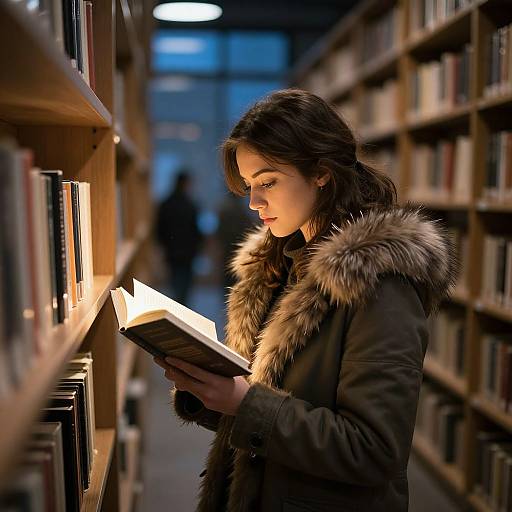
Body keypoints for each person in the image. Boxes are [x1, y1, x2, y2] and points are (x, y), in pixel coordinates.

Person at [154, 89, 458, 511]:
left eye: (268, 182)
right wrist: (211, 393)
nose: (255, 203)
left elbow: (374, 450)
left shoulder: (379, 283)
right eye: (248, 187)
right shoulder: (280, 265)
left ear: (321, 172)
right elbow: (272, 411)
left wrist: (245, 404)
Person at [156, 170, 203, 306]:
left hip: (171, 251)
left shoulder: (165, 204)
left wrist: (164, 246)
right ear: (185, 184)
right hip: (188, 252)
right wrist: (198, 247)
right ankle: (184, 308)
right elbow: (196, 231)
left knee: (174, 282)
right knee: (186, 285)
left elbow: (159, 230)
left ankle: (177, 309)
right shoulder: (191, 205)